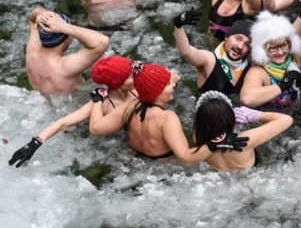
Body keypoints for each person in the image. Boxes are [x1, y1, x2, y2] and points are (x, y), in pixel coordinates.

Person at [89, 61, 246, 162]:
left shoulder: (129, 106)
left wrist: (98, 99)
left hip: (134, 162)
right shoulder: (167, 118)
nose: (173, 85)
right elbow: (186, 158)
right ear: (157, 92)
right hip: (163, 173)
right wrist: (215, 142)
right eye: (168, 83)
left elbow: (95, 129)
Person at [8, 55, 134, 167]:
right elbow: (64, 122)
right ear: (117, 83)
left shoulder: (138, 86)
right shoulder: (104, 103)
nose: (136, 76)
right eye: (130, 76)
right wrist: (34, 143)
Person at [192, 91, 293, 170]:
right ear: (231, 119)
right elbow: (286, 120)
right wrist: (255, 115)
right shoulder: (243, 141)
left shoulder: (198, 137)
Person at [239, 11, 301, 109]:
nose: (280, 52)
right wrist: (283, 85)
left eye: (283, 46)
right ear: (262, 50)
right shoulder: (258, 71)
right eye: (273, 48)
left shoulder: (295, 56)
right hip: (276, 116)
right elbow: (246, 99)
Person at [25, 7, 109, 95]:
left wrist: (41, 14)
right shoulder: (64, 66)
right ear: (67, 36)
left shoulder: (32, 52)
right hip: (74, 104)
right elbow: (102, 42)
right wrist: (65, 27)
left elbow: (33, 18)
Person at [173, 13, 253, 95]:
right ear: (226, 37)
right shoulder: (209, 60)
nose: (240, 46)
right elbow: (186, 52)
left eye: (247, 44)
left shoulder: (250, 67)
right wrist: (178, 26)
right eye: (238, 39)